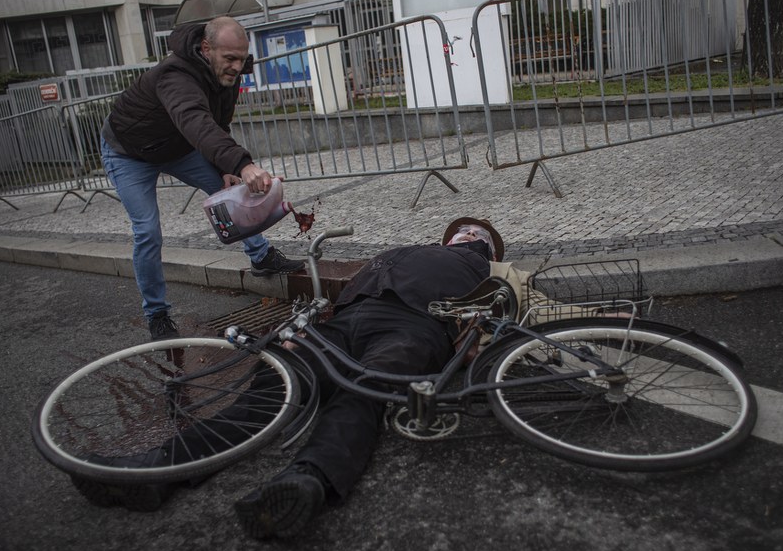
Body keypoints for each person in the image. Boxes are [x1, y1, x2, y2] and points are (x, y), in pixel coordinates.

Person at [71, 216, 506, 532]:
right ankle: (155, 470)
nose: (470, 234)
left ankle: (307, 478)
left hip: (417, 324)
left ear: (489, 251)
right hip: (345, 320)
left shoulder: (491, 272)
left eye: (480, 236)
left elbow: (502, 315)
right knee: (275, 388)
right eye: (464, 231)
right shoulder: (408, 252)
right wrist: (303, 331)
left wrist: (471, 344)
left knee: (366, 391)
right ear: (446, 238)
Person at [100, 15, 304, 341]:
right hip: (128, 151)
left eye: (242, 58)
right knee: (147, 230)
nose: (238, 67)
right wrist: (242, 164)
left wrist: (226, 169)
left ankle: (261, 257)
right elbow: (195, 120)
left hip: (179, 146)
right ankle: (157, 315)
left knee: (229, 189)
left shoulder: (227, 73)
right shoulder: (174, 75)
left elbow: (218, 123)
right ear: (206, 48)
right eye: (230, 58)